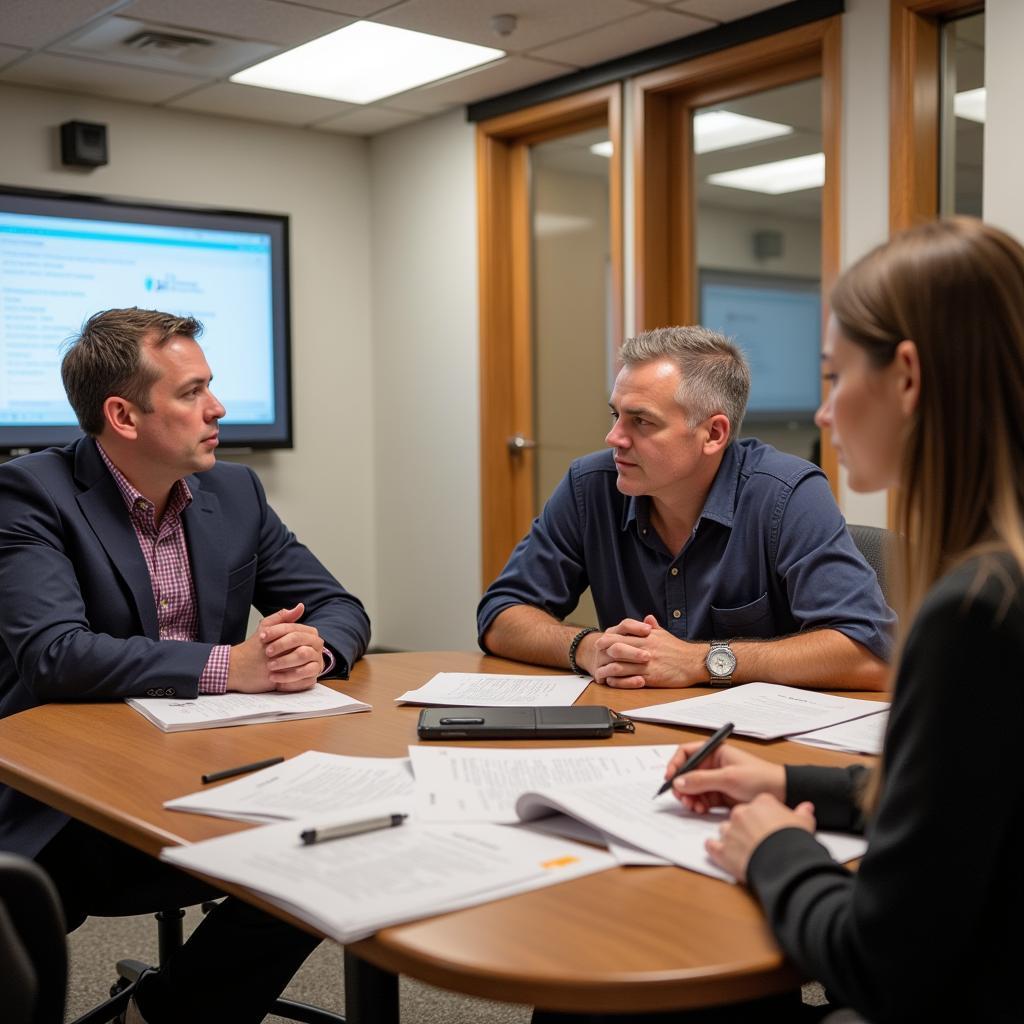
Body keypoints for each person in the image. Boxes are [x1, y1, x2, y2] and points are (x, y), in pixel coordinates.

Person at [663, 217, 1024, 1022]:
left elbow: (880, 963)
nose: (823, 414)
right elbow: (969, 798)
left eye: (834, 377)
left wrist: (773, 846)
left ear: (906, 376)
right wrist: (786, 781)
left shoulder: (977, 612)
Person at [0, 307, 371, 1024]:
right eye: (191, 391)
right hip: (74, 799)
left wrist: (312, 647)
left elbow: (338, 604)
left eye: (212, 387)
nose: (218, 407)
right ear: (123, 415)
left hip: (205, 772)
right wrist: (227, 665)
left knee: (333, 848)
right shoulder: (32, 495)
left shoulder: (235, 493)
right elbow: (55, 655)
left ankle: (167, 1014)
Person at [479, 326, 894, 691]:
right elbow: (501, 614)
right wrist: (587, 648)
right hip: (635, 734)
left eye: (641, 421)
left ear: (713, 434)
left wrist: (700, 662)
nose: (613, 438)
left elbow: (869, 652)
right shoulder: (592, 486)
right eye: (615, 415)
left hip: (754, 753)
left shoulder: (787, 494)